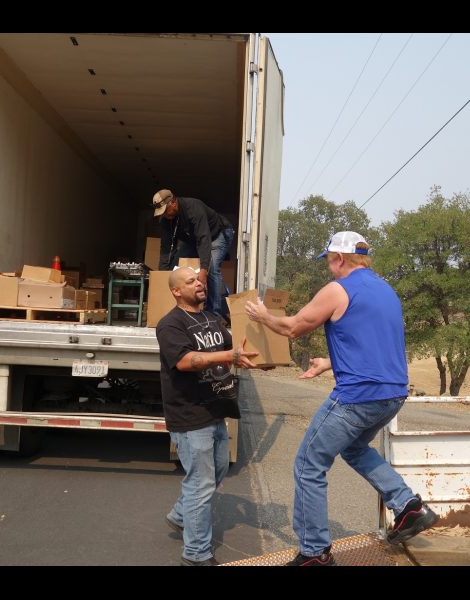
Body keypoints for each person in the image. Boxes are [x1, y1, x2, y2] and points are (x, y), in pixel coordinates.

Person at [244, 231, 439, 566]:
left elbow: (293, 327)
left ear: (339, 259)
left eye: (329, 261)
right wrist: (330, 362)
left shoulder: (338, 289)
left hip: (358, 396)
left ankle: (314, 553)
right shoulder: (385, 290)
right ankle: (409, 506)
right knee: (353, 448)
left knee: (308, 464)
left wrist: (264, 317)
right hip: (392, 394)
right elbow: (375, 344)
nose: (329, 268)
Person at [156, 267, 258, 566]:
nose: (199, 284)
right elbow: (186, 361)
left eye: (199, 280)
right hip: (188, 413)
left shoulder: (212, 318)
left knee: (217, 471)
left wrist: (260, 360)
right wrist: (229, 357)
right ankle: (196, 554)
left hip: (215, 408)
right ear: (176, 291)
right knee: (201, 484)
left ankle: (179, 515)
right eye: (190, 282)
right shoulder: (170, 324)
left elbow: (234, 349)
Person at [152, 189, 235, 320]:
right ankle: (179, 309)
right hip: (194, 239)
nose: (164, 215)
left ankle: (214, 315)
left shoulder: (193, 208)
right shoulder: (166, 220)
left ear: (173, 203)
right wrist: (163, 275)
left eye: (165, 211)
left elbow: (204, 239)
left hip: (218, 234)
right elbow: (166, 248)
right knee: (174, 265)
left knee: (211, 268)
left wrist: (203, 270)